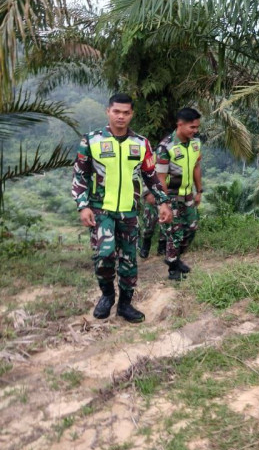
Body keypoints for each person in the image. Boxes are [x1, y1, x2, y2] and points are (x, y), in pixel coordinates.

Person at [72, 93, 173, 323]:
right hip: (100, 209)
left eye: (126, 112)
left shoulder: (141, 143)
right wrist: (83, 206)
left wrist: (163, 202)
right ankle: (107, 295)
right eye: (116, 111)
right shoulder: (91, 140)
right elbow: (80, 175)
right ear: (108, 111)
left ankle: (125, 305)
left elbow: (151, 175)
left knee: (129, 261)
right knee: (104, 255)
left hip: (129, 211)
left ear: (131, 115)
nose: (121, 116)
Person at [155, 108, 203, 280]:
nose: (195, 131)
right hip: (171, 195)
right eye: (192, 127)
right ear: (180, 124)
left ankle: (174, 259)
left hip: (188, 194)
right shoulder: (166, 147)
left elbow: (196, 167)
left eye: (197, 127)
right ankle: (173, 269)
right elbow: (160, 178)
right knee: (174, 233)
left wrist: (199, 191)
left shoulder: (196, 143)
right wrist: (164, 203)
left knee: (191, 228)